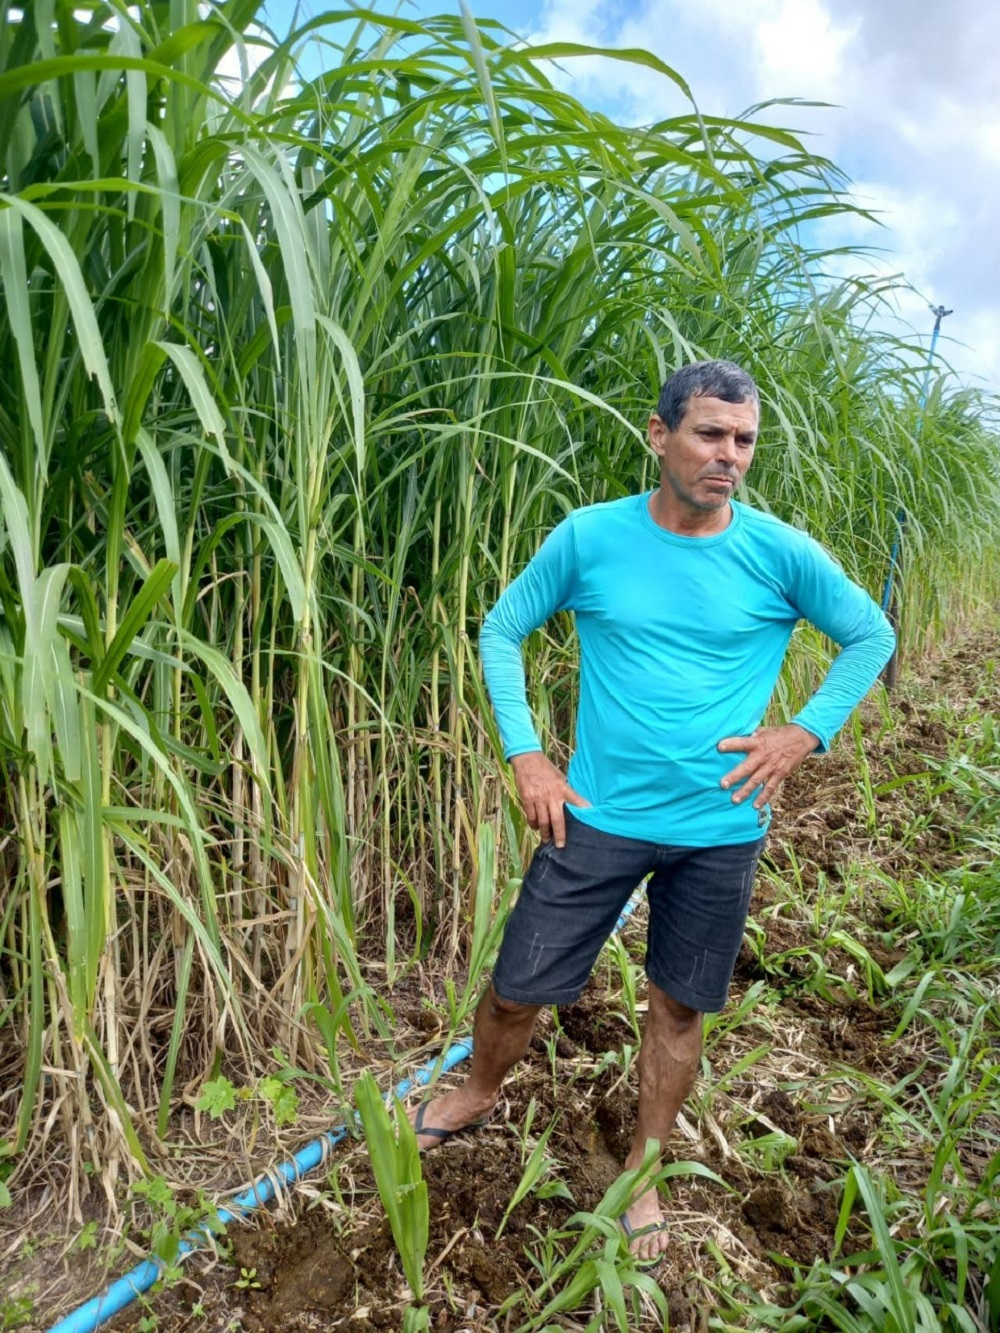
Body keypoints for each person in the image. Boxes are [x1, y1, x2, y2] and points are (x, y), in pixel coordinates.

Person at [409, 360, 895, 1265]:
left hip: (720, 827)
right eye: (710, 434)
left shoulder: (779, 552)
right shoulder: (591, 540)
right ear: (658, 433)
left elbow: (873, 633)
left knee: (677, 1006)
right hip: (594, 814)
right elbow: (502, 627)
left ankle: (644, 1168)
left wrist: (802, 734)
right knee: (519, 983)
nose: (729, 457)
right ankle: (477, 1088)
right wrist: (527, 755)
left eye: (744, 440)